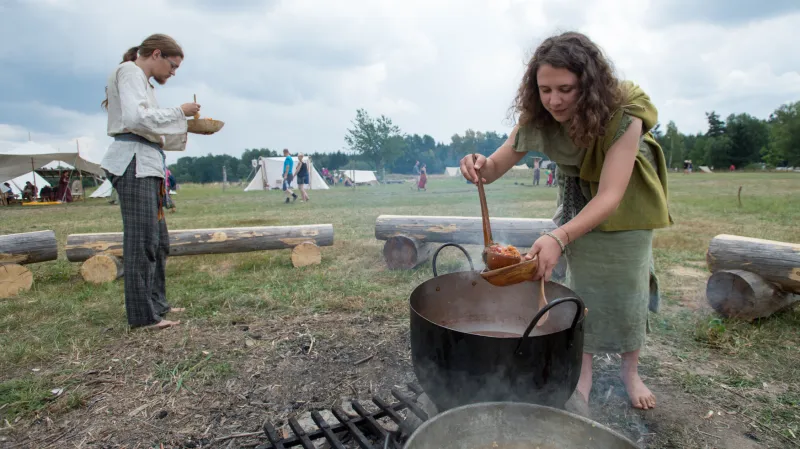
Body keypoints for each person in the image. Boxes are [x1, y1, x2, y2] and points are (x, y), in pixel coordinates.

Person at [460, 31, 671, 411]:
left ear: (588, 85)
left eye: (565, 89)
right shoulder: (539, 117)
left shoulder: (625, 113)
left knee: (628, 287)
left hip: (628, 200)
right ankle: (582, 374)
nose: (554, 100)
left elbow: (610, 195)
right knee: (580, 287)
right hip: (577, 200)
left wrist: (557, 237)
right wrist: (477, 164)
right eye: (545, 89)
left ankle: (630, 372)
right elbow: (492, 169)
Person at [99, 33, 200, 330]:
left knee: (158, 241)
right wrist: (179, 112)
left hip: (147, 164)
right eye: (173, 65)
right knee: (141, 241)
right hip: (133, 163)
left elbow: (149, 123)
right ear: (156, 54)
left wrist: (184, 125)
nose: (173, 72)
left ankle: (157, 303)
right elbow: (135, 119)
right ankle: (142, 316)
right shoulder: (129, 72)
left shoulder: (142, 81)